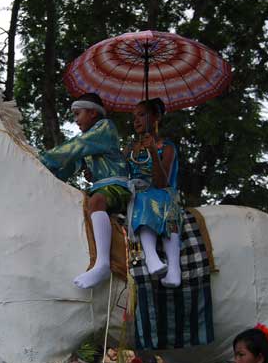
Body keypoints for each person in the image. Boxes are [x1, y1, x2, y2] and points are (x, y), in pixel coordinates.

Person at [40, 92, 130, 289]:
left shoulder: (104, 128)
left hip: (117, 187)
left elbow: (77, 147)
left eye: (77, 114)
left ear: (93, 113)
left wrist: (42, 160)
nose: (75, 120)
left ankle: (103, 263)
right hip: (99, 189)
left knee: (96, 201)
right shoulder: (89, 142)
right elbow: (70, 167)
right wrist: (45, 176)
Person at [126, 98, 181, 287]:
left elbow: (161, 182)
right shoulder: (130, 149)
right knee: (139, 196)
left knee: (160, 201)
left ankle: (174, 269)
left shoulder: (167, 147)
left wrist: (153, 152)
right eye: (134, 117)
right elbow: (120, 172)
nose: (136, 121)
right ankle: (151, 257)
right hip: (136, 191)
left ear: (156, 117)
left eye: (142, 115)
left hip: (160, 192)